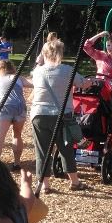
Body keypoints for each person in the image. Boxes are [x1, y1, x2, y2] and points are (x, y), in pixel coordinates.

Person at [30, 39, 91, 192]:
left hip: (39, 114)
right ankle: (75, 182)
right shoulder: (67, 70)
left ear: (44, 54)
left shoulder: (37, 71)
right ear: (61, 53)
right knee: (66, 149)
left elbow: (35, 76)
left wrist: (39, 62)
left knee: (42, 151)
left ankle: (45, 185)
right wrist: (91, 82)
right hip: (62, 115)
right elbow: (83, 83)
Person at [0, 59, 32, 170]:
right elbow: (33, 83)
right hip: (20, 108)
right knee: (17, 135)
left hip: (4, 108)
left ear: (0, 69)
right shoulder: (18, 78)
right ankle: (17, 163)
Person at [83, 30, 112, 123]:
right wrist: (99, 35)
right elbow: (86, 46)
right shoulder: (101, 56)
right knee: (101, 119)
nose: (110, 48)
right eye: (108, 45)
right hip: (102, 94)